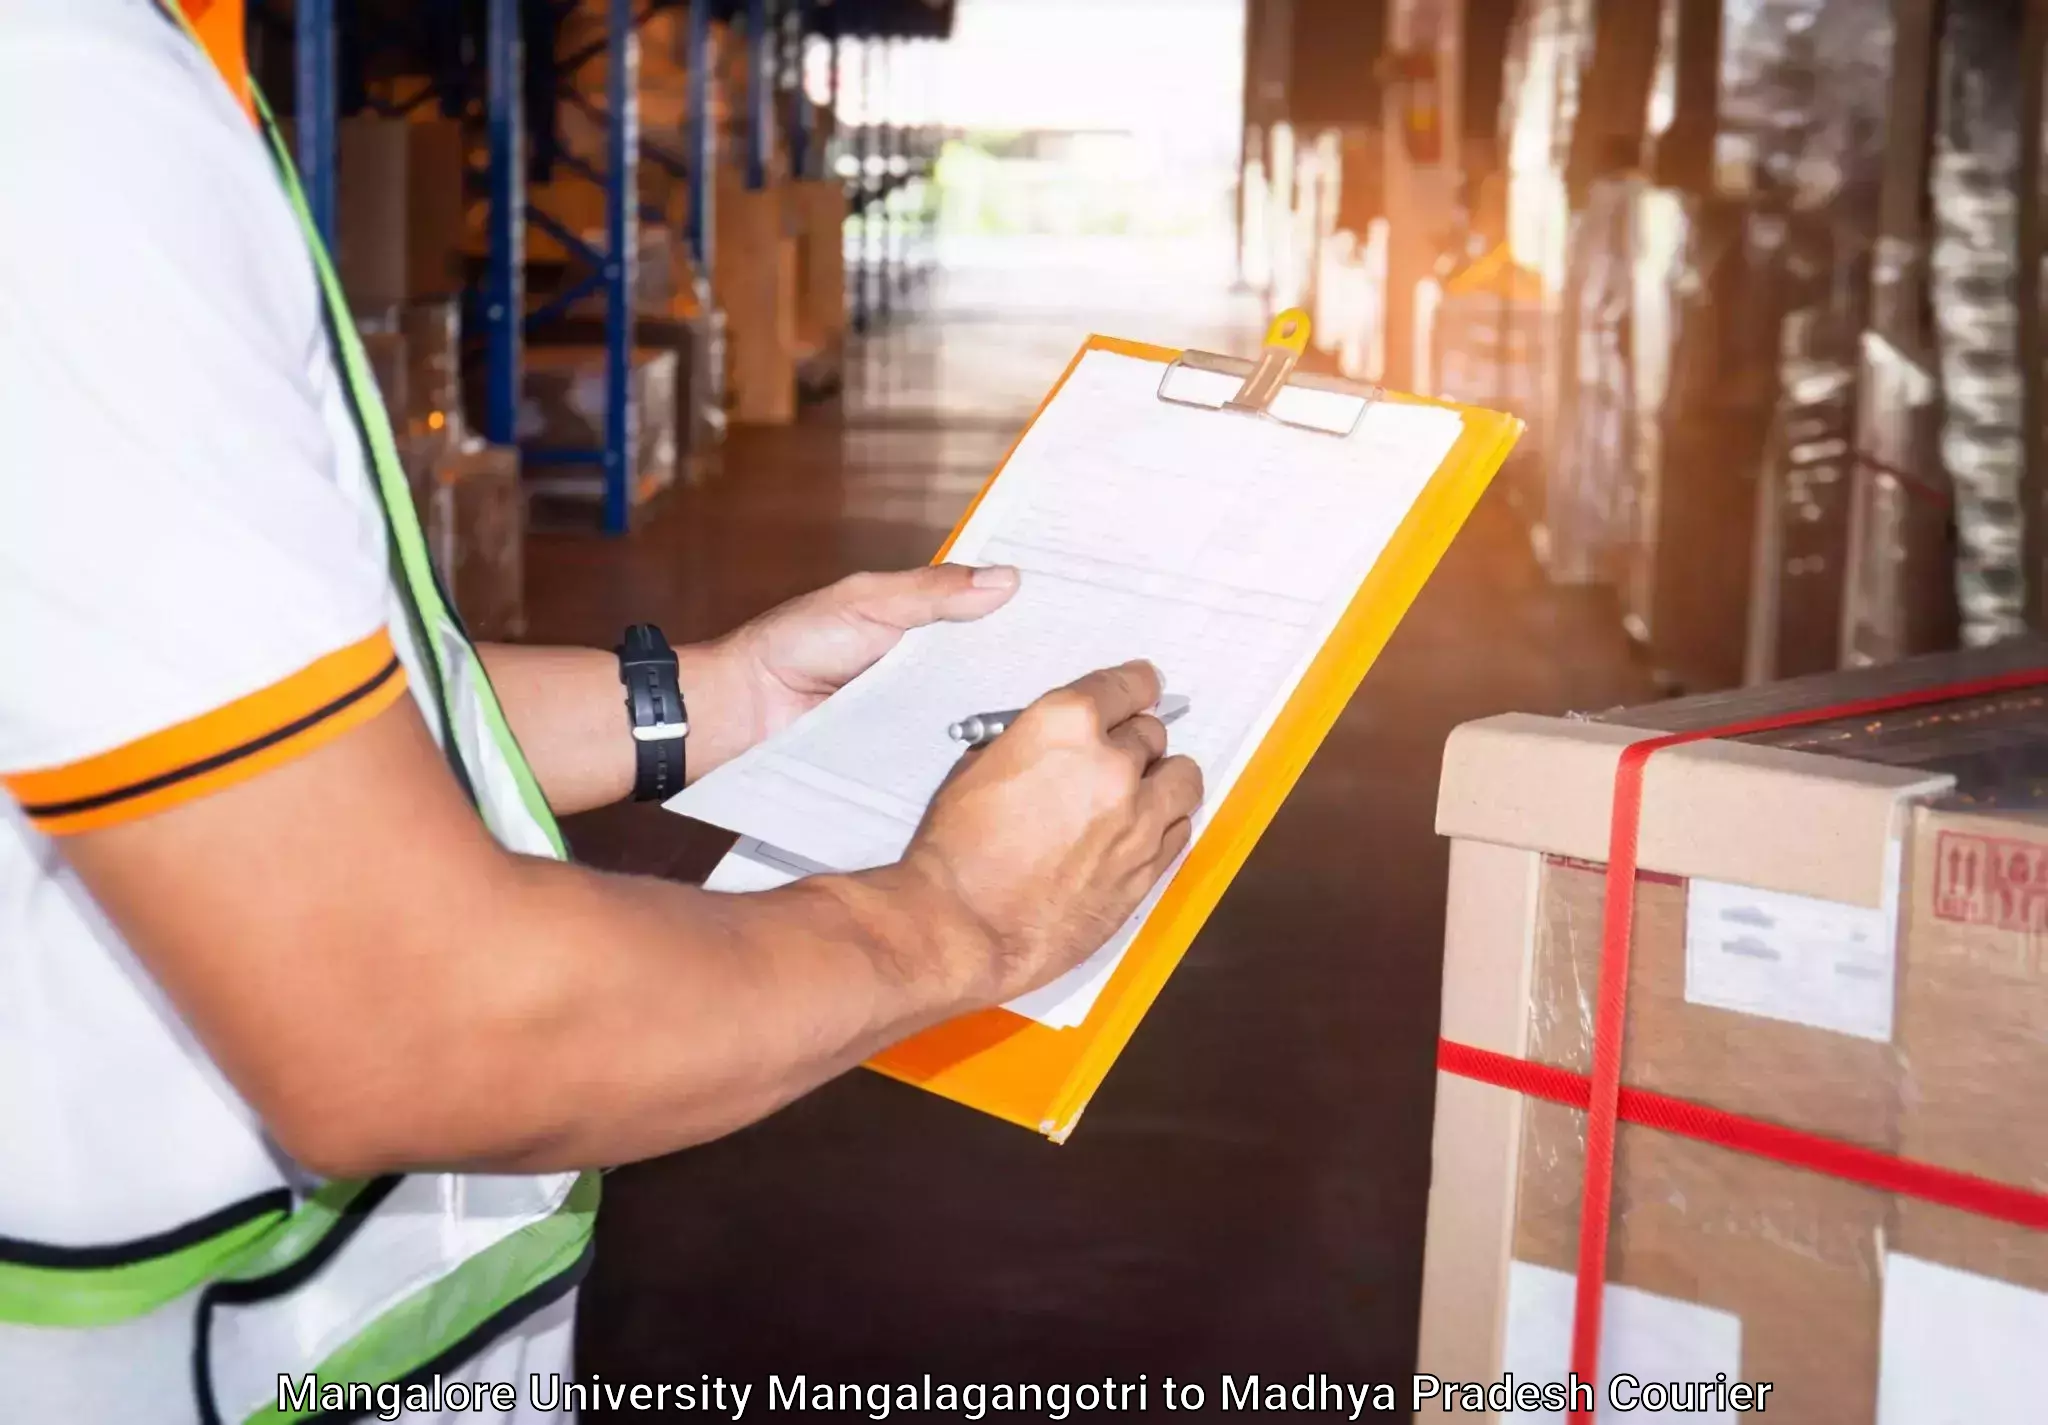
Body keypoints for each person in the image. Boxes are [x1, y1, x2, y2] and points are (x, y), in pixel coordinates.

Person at [0, 1, 1203, 1417]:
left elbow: (209, 717)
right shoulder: (61, 109)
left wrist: (729, 697)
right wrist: (956, 920)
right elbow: (414, 1022)